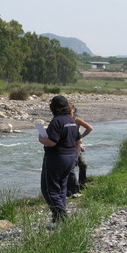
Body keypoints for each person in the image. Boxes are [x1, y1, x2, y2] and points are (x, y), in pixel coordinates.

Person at [39, 95, 82, 223]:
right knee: (61, 189)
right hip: (70, 157)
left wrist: (41, 138)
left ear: (55, 107)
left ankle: (63, 218)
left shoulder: (57, 121)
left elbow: (52, 142)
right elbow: (78, 140)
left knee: (49, 190)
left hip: (56, 158)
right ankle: (57, 220)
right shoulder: (72, 120)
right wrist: (76, 156)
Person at [67, 104, 93, 197]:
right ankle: (71, 189)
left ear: (73, 109)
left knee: (82, 164)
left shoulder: (76, 119)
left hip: (76, 145)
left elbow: (89, 127)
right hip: (68, 146)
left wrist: (81, 138)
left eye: (69, 108)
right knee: (71, 167)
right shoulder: (62, 119)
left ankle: (81, 184)